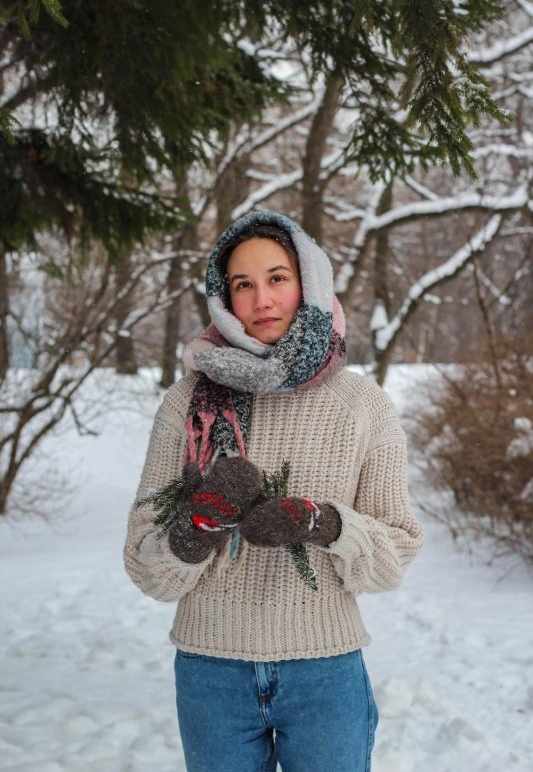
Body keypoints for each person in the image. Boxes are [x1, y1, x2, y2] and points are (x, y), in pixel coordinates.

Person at [124, 210, 424, 772]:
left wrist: (326, 524)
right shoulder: (188, 402)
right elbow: (143, 563)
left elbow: (395, 555)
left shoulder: (362, 405)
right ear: (224, 299)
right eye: (244, 285)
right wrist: (193, 534)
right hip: (211, 673)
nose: (262, 299)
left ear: (308, 282)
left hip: (325, 672)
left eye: (278, 278)